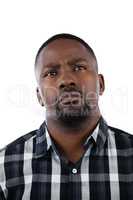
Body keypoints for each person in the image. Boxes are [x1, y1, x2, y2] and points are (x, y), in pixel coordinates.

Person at [0, 33, 133, 200]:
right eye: (51, 73)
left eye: (78, 67)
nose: (66, 80)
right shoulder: (4, 168)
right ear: (39, 96)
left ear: (100, 84)